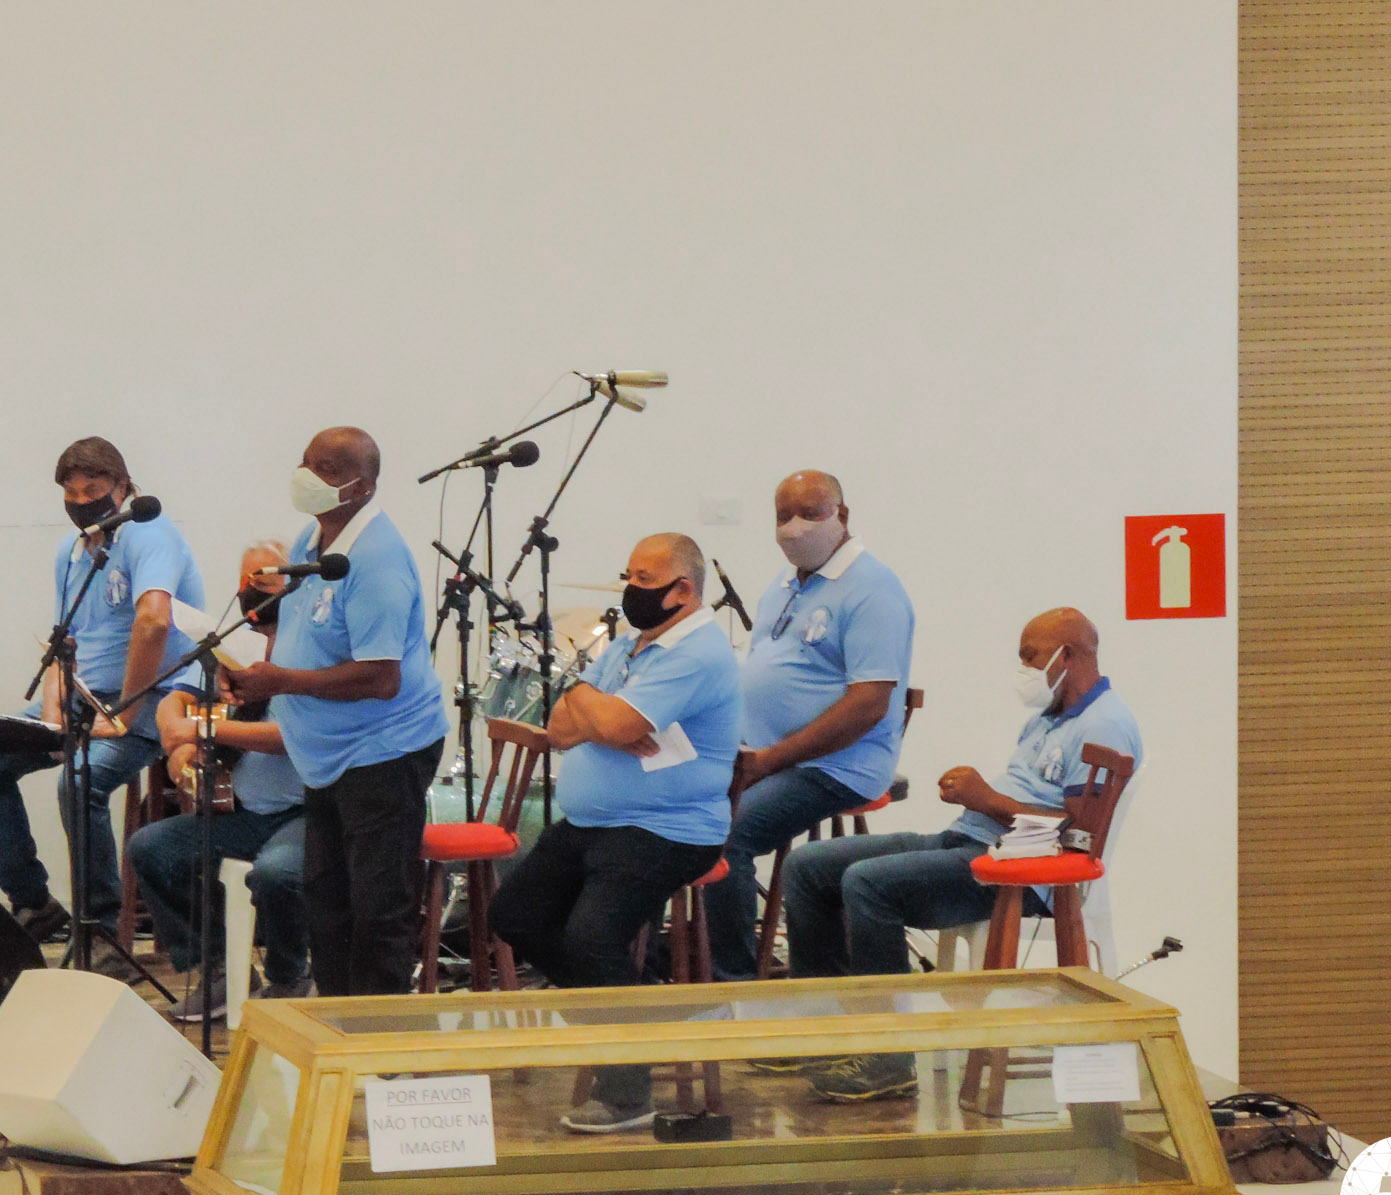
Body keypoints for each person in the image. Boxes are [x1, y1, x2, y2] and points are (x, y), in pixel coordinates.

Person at [779, 607, 1143, 1101]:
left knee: (867, 883)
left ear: (1068, 656)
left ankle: (890, 1058)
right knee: (808, 866)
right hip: (973, 841)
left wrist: (986, 798)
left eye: (1030, 657)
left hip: (1022, 874)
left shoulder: (1106, 725)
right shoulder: (1048, 718)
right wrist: (976, 798)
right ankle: (827, 1034)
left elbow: (1080, 836)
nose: (1024, 670)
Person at [489, 533, 741, 1134]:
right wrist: (597, 714)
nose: (630, 590)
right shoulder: (632, 644)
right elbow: (558, 730)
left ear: (683, 591)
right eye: (628, 576)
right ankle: (646, 1019)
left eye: (644, 581)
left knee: (591, 938)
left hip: (668, 828)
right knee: (515, 915)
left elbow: (610, 721)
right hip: (593, 822)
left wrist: (579, 692)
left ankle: (627, 1090)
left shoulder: (698, 652)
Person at [0, 437, 204, 962]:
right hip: (85, 694)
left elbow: (154, 622)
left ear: (122, 485)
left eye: (92, 490)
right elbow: (62, 643)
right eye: (70, 493)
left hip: (157, 695)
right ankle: (34, 902)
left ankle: (101, 930)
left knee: (78, 781)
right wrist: (52, 717)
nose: (80, 501)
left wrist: (126, 711)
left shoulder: (150, 534)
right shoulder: (72, 553)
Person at [226, 428, 449, 997]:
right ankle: (334, 1024)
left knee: (377, 908)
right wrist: (248, 672)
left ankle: (380, 1038)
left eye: (326, 469)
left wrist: (281, 681)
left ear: (362, 486)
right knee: (326, 900)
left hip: (383, 750)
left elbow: (381, 678)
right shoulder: (312, 538)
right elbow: (306, 630)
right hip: (325, 755)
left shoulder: (376, 561)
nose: (307, 476)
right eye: (306, 462)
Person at [708, 470, 913, 980]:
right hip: (765, 756)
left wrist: (768, 760)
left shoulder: (873, 590)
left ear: (842, 516)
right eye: (784, 516)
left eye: (811, 513)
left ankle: (732, 990)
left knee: (724, 834)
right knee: (661, 809)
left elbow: (869, 705)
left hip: (837, 765)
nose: (795, 527)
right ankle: (655, 970)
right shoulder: (784, 583)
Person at [128, 541, 311, 1020]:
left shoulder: (309, 649)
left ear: (292, 586)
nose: (253, 592)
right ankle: (220, 971)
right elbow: (176, 699)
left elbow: (289, 737)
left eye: (265, 583)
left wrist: (204, 732)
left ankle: (290, 977)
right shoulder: (232, 642)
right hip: (246, 811)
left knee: (275, 874)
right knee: (152, 848)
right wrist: (178, 745)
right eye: (247, 583)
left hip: (307, 809)